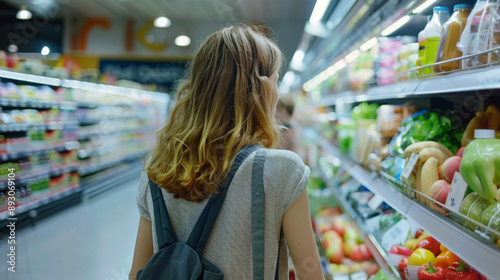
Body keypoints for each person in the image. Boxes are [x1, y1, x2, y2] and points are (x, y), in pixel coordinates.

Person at [130, 25, 322, 280]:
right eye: (276, 81)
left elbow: (137, 273)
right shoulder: (281, 170)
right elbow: (310, 274)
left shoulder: (157, 169)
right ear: (261, 91)